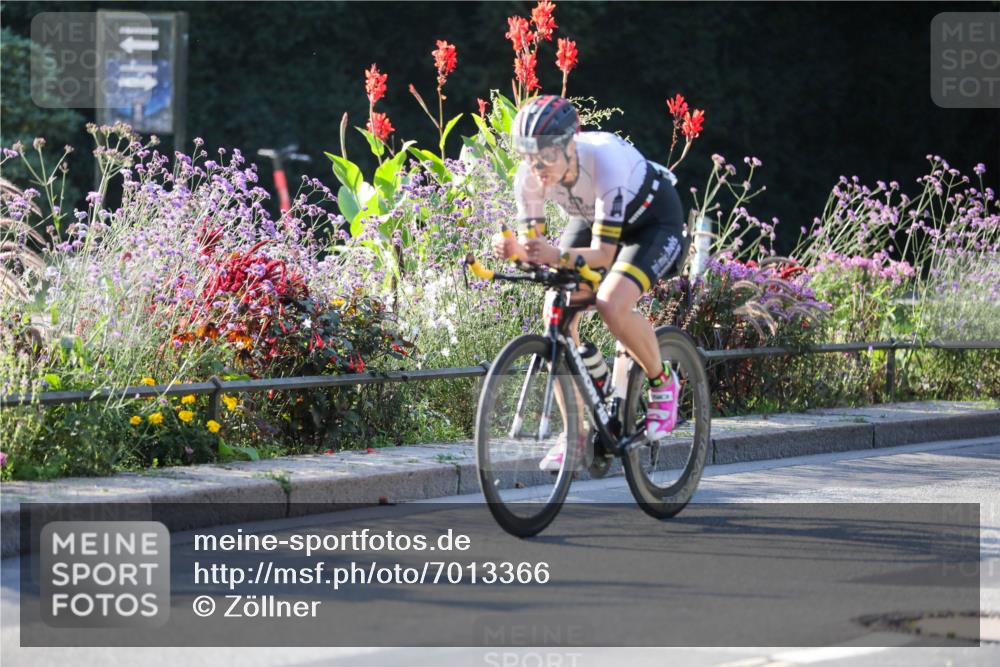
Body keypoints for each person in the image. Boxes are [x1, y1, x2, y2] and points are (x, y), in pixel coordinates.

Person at [491, 95, 688, 470]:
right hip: (594, 219)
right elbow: (537, 251)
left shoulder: (605, 161)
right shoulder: (529, 178)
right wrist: (514, 249)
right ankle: (576, 433)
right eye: (527, 154)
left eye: (546, 153)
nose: (536, 165)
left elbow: (603, 255)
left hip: (652, 221)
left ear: (570, 143)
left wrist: (550, 254)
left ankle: (663, 381)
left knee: (611, 302)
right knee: (556, 310)